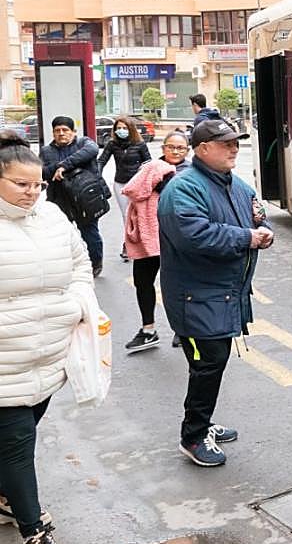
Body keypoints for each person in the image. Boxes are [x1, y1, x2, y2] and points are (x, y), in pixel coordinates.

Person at [0, 129, 96, 544]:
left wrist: (76, 302)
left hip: (48, 356)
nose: (32, 193)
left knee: (22, 436)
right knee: (18, 444)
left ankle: (6, 494)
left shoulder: (53, 215)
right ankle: (36, 537)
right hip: (5, 361)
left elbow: (80, 263)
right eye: (21, 184)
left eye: (37, 184)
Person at [157, 118, 272, 467]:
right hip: (195, 297)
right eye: (226, 144)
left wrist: (263, 230)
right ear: (203, 149)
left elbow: (257, 214)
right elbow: (196, 236)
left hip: (223, 294)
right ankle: (192, 436)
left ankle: (202, 422)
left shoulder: (234, 183)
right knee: (208, 364)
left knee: (211, 363)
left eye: (236, 142)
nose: (234, 148)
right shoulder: (184, 189)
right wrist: (248, 238)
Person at [120, 131, 191, 353]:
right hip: (148, 236)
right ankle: (148, 329)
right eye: (172, 147)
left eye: (181, 148)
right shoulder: (149, 169)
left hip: (177, 238)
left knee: (180, 285)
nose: (176, 151)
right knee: (142, 282)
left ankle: (184, 329)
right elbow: (134, 190)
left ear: (187, 151)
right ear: (163, 148)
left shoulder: (192, 172)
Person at [39, 116, 104, 276]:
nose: (61, 134)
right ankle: (66, 265)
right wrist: (58, 167)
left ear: (73, 132)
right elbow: (43, 172)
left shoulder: (84, 144)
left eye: (65, 130)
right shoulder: (46, 151)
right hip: (59, 199)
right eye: (57, 131)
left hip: (85, 199)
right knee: (60, 235)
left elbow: (92, 151)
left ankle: (95, 263)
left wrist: (63, 166)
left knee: (90, 233)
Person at [97, 114, 151, 261]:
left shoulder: (139, 144)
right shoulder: (112, 144)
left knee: (139, 215)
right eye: (118, 128)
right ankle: (127, 245)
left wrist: (143, 174)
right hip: (120, 184)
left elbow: (148, 162)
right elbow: (102, 160)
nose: (121, 130)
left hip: (137, 185)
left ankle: (142, 243)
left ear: (130, 129)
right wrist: (97, 173)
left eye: (124, 128)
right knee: (126, 216)